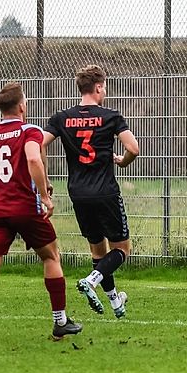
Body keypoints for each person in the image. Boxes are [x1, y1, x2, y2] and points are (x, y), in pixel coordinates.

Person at [43, 65, 139, 319]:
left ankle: (115, 302)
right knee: (122, 250)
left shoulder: (62, 117)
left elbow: (40, 143)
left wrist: (45, 176)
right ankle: (92, 280)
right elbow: (134, 148)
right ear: (98, 87)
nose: (104, 91)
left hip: (78, 192)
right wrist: (123, 161)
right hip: (105, 191)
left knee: (98, 251)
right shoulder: (110, 116)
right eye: (104, 87)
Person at [0, 83, 82, 340]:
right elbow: (33, 158)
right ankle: (60, 321)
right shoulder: (29, 130)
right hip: (25, 207)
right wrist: (44, 196)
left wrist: (42, 182)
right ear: (22, 106)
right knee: (51, 256)